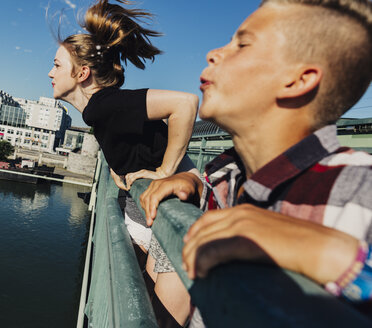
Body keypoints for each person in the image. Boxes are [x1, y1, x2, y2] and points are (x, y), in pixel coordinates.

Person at [139, 0, 372, 324]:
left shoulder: (360, 188)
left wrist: (337, 257)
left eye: (243, 44)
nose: (213, 53)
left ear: (298, 79)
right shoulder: (224, 174)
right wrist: (196, 186)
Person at [47, 0, 198, 325]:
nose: (50, 72)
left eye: (56, 65)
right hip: (153, 213)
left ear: (82, 73)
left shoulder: (109, 104)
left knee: (162, 318)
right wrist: (120, 167)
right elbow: (130, 141)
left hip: (179, 212)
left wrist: (165, 170)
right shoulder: (98, 111)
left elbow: (185, 104)